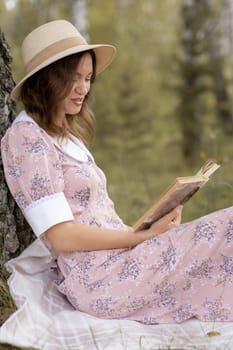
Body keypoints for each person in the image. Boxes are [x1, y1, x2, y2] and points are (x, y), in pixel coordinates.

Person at [1, 19, 233, 328]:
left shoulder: (68, 138)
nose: (84, 88)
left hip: (122, 257)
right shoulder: (28, 138)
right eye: (74, 78)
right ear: (47, 79)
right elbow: (61, 235)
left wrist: (148, 228)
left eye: (88, 78)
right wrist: (138, 237)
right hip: (100, 278)